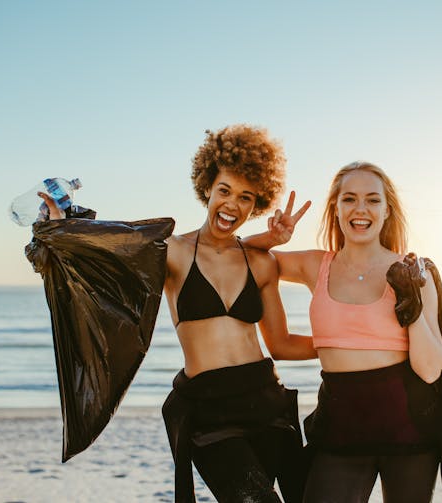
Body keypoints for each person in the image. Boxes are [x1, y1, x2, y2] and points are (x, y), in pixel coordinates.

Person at [41, 124, 316, 503]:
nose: (232, 205)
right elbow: (108, 253)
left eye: (245, 197)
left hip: (266, 401)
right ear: (207, 188)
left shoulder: (261, 262)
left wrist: (345, 344)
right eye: (224, 191)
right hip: (209, 412)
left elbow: (282, 344)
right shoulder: (173, 251)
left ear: (258, 204)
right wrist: (63, 228)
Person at [248, 161, 442, 503]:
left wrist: (410, 302)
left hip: (410, 430)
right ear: (335, 209)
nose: (361, 209)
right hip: (339, 429)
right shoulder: (315, 265)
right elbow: (246, 257)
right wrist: (270, 238)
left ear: (387, 211)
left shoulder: (415, 271)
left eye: (372, 200)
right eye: (349, 199)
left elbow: (431, 369)